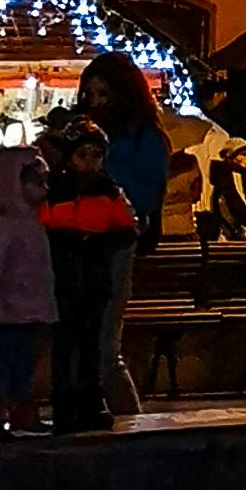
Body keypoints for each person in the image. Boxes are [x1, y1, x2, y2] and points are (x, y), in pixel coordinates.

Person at [74, 49, 175, 422]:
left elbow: (147, 193)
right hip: (77, 240)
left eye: (105, 95)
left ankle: (129, 418)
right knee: (83, 339)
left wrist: (105, 185)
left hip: (114, 241)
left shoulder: (143, 139)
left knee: (104, 343)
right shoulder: (86, 130)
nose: (98, 103)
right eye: (91, 95)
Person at [36, 108, 141, 436]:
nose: (92, 162)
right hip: (65, 277)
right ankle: (66, 402)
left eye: (97, 155)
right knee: (66, 342)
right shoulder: (56, 191)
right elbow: (43, 226)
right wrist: (68, 240)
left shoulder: (109, 192)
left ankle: (91, 400)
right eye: (84, 154)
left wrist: (101, 240)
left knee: (91, 342)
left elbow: (127, 229)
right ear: (70, 157)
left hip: (95, 277)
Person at [0, 140, 57, 438]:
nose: (43, 188)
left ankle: (21, 413)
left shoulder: (30, 224)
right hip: (4, 317)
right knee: (1, 369)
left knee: (23, 369)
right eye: (36, 182)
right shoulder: (3, 228)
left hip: (27, 313)